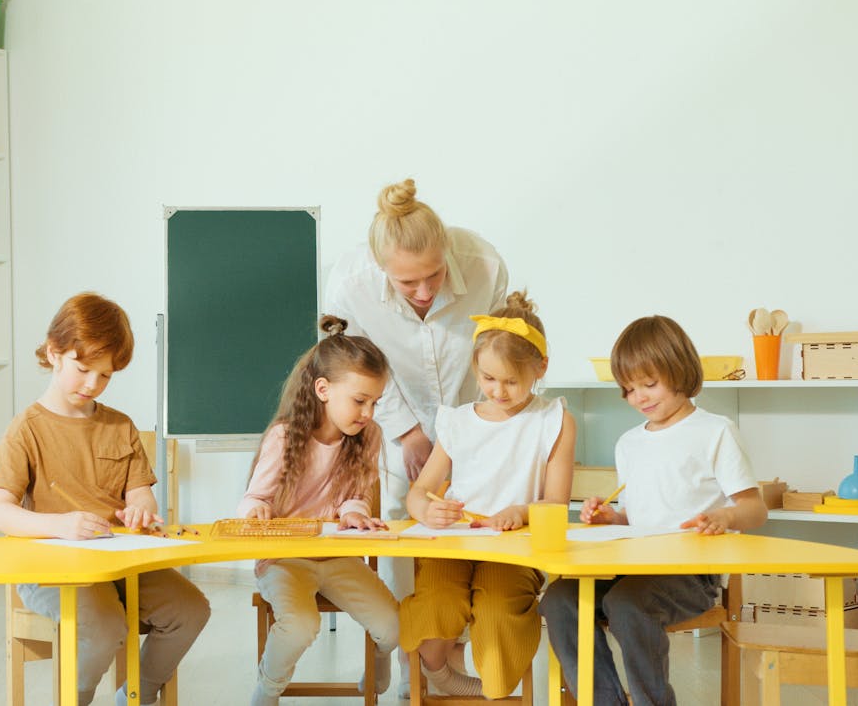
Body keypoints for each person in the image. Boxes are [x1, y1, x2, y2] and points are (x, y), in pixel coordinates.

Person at [325, 178, 507, 694]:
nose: (425, 292)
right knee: (403, 538)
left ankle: (451, 661)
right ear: (382, 270)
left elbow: (492, 352)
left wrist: (469, 431)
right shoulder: (350, 283)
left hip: (473, 421)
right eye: (408, 284)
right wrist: (407, 431)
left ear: (447, 249)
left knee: (472, 531)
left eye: (433, 275)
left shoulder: (485, 264)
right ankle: (410, 664)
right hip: (390, 423)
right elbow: (353, 367)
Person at [0, 292, 209, 706]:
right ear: (54, 353)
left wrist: (143, 509)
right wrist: (59, 526)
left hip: (121, 561)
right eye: (83, 368)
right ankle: (77, 700)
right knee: (105, 625)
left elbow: (140, 493)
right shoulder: (26, 429)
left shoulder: (120, 426)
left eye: (105, 375)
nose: (92, 384)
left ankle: (136, 695)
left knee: (191, 609)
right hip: (54, 569)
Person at [539, 315, 769, 706]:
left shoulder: (715, 431)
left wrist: (724, 517)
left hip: (692, 576)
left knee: (627, 604)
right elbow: (638, 513)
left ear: (680, 370)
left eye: (650, 384)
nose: (639, 398)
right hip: (633, 568)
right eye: (629, 389)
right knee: (559, 598)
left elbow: (755, 508)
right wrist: (611, 518)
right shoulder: (629, 443)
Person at [399, 291, 576, 698]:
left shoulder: (554, 420)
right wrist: (427, 511)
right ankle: (440, 672)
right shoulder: (458, 421)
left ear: (540, 368)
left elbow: (557, 504)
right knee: (437, 603)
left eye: (511, 381)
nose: (497, 391)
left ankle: (493, 688)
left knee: (499, 612)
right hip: (454, 542)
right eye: (488, 378)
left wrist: (521, 511)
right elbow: (419, 492)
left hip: (514, 548)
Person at [238, 315, 400, 706]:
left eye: (375, 403)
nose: (368, 413)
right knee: (300, 626)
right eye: (360, 401)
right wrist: (256, 511)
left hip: (336, 556)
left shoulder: (368, 436)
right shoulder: (285, 435)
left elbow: (354, 494)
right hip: (283, 559)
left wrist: (355, 512)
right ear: (323, 390)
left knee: (393, 628)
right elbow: (254, 499)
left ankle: (376, 666)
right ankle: (267, 691)